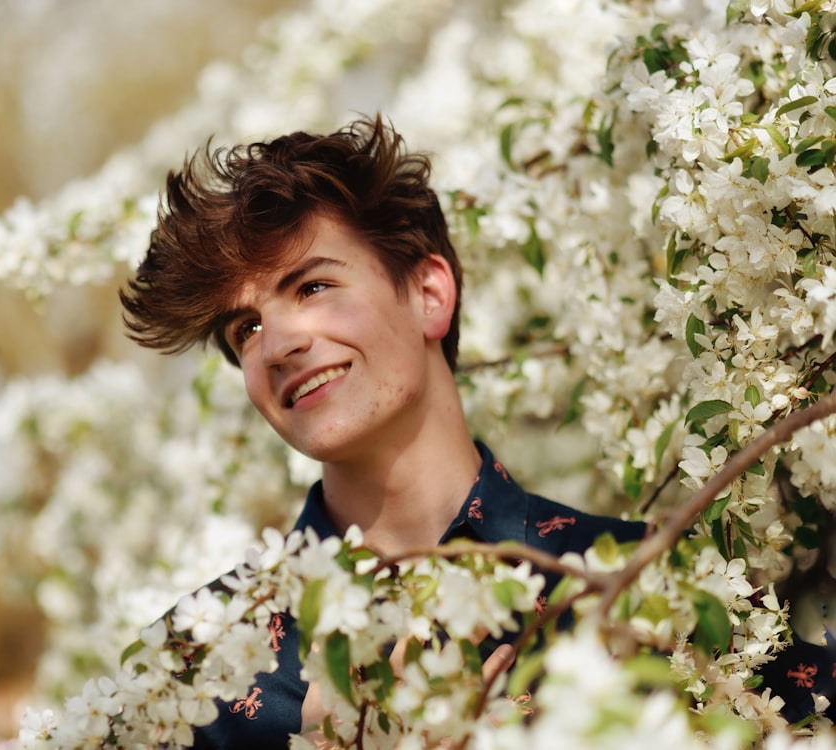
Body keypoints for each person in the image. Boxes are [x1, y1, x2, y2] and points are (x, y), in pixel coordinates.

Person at [120, 117, 834, 747]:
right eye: (244, 328)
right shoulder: (195, 667)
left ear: (429, 295)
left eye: (312, 287)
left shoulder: (648, 596)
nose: (277, 343)